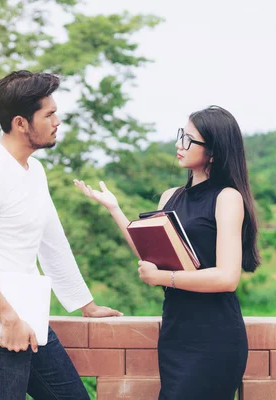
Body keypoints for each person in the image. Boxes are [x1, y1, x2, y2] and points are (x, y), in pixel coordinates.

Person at [0, 70, 122, 400]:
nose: (57, 121)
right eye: (49, 114)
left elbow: (52, 241)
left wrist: (87, 305)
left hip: (28, 318)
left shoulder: (33, 170)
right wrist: (7, 317)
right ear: (21, 123)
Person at [74, 105, 260, 400]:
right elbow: (148, 250)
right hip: (176, 330)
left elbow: (227, 278)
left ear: (213, 152)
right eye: (180, 135)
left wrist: (164, 277)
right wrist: (114, 208)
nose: (178, 144)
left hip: (215, 336)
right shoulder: (170, 197)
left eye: (188, 139)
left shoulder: (227, 198)